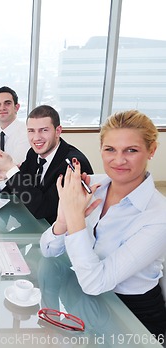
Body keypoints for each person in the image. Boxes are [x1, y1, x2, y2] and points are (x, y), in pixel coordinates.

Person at [40, 110, 166, 338]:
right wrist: (63, 218)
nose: (118, 160)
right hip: (87, 303)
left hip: (133, 318)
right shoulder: (92, 185)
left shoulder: (159, 216)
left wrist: (76, 218)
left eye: (132, 150)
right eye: (110, 149)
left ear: (152, 150)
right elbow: (49, 249)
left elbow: (95, 283)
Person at [0, 105, 93, 224]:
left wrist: (10, 169)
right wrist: (2, 176)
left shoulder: (73, 164)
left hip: (63, 234)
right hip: (35, 227)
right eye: (31, 131)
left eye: (44, 130)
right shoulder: (33, 153)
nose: (36, 138)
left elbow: (43, 209)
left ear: (58, 131)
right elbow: (18, 190)